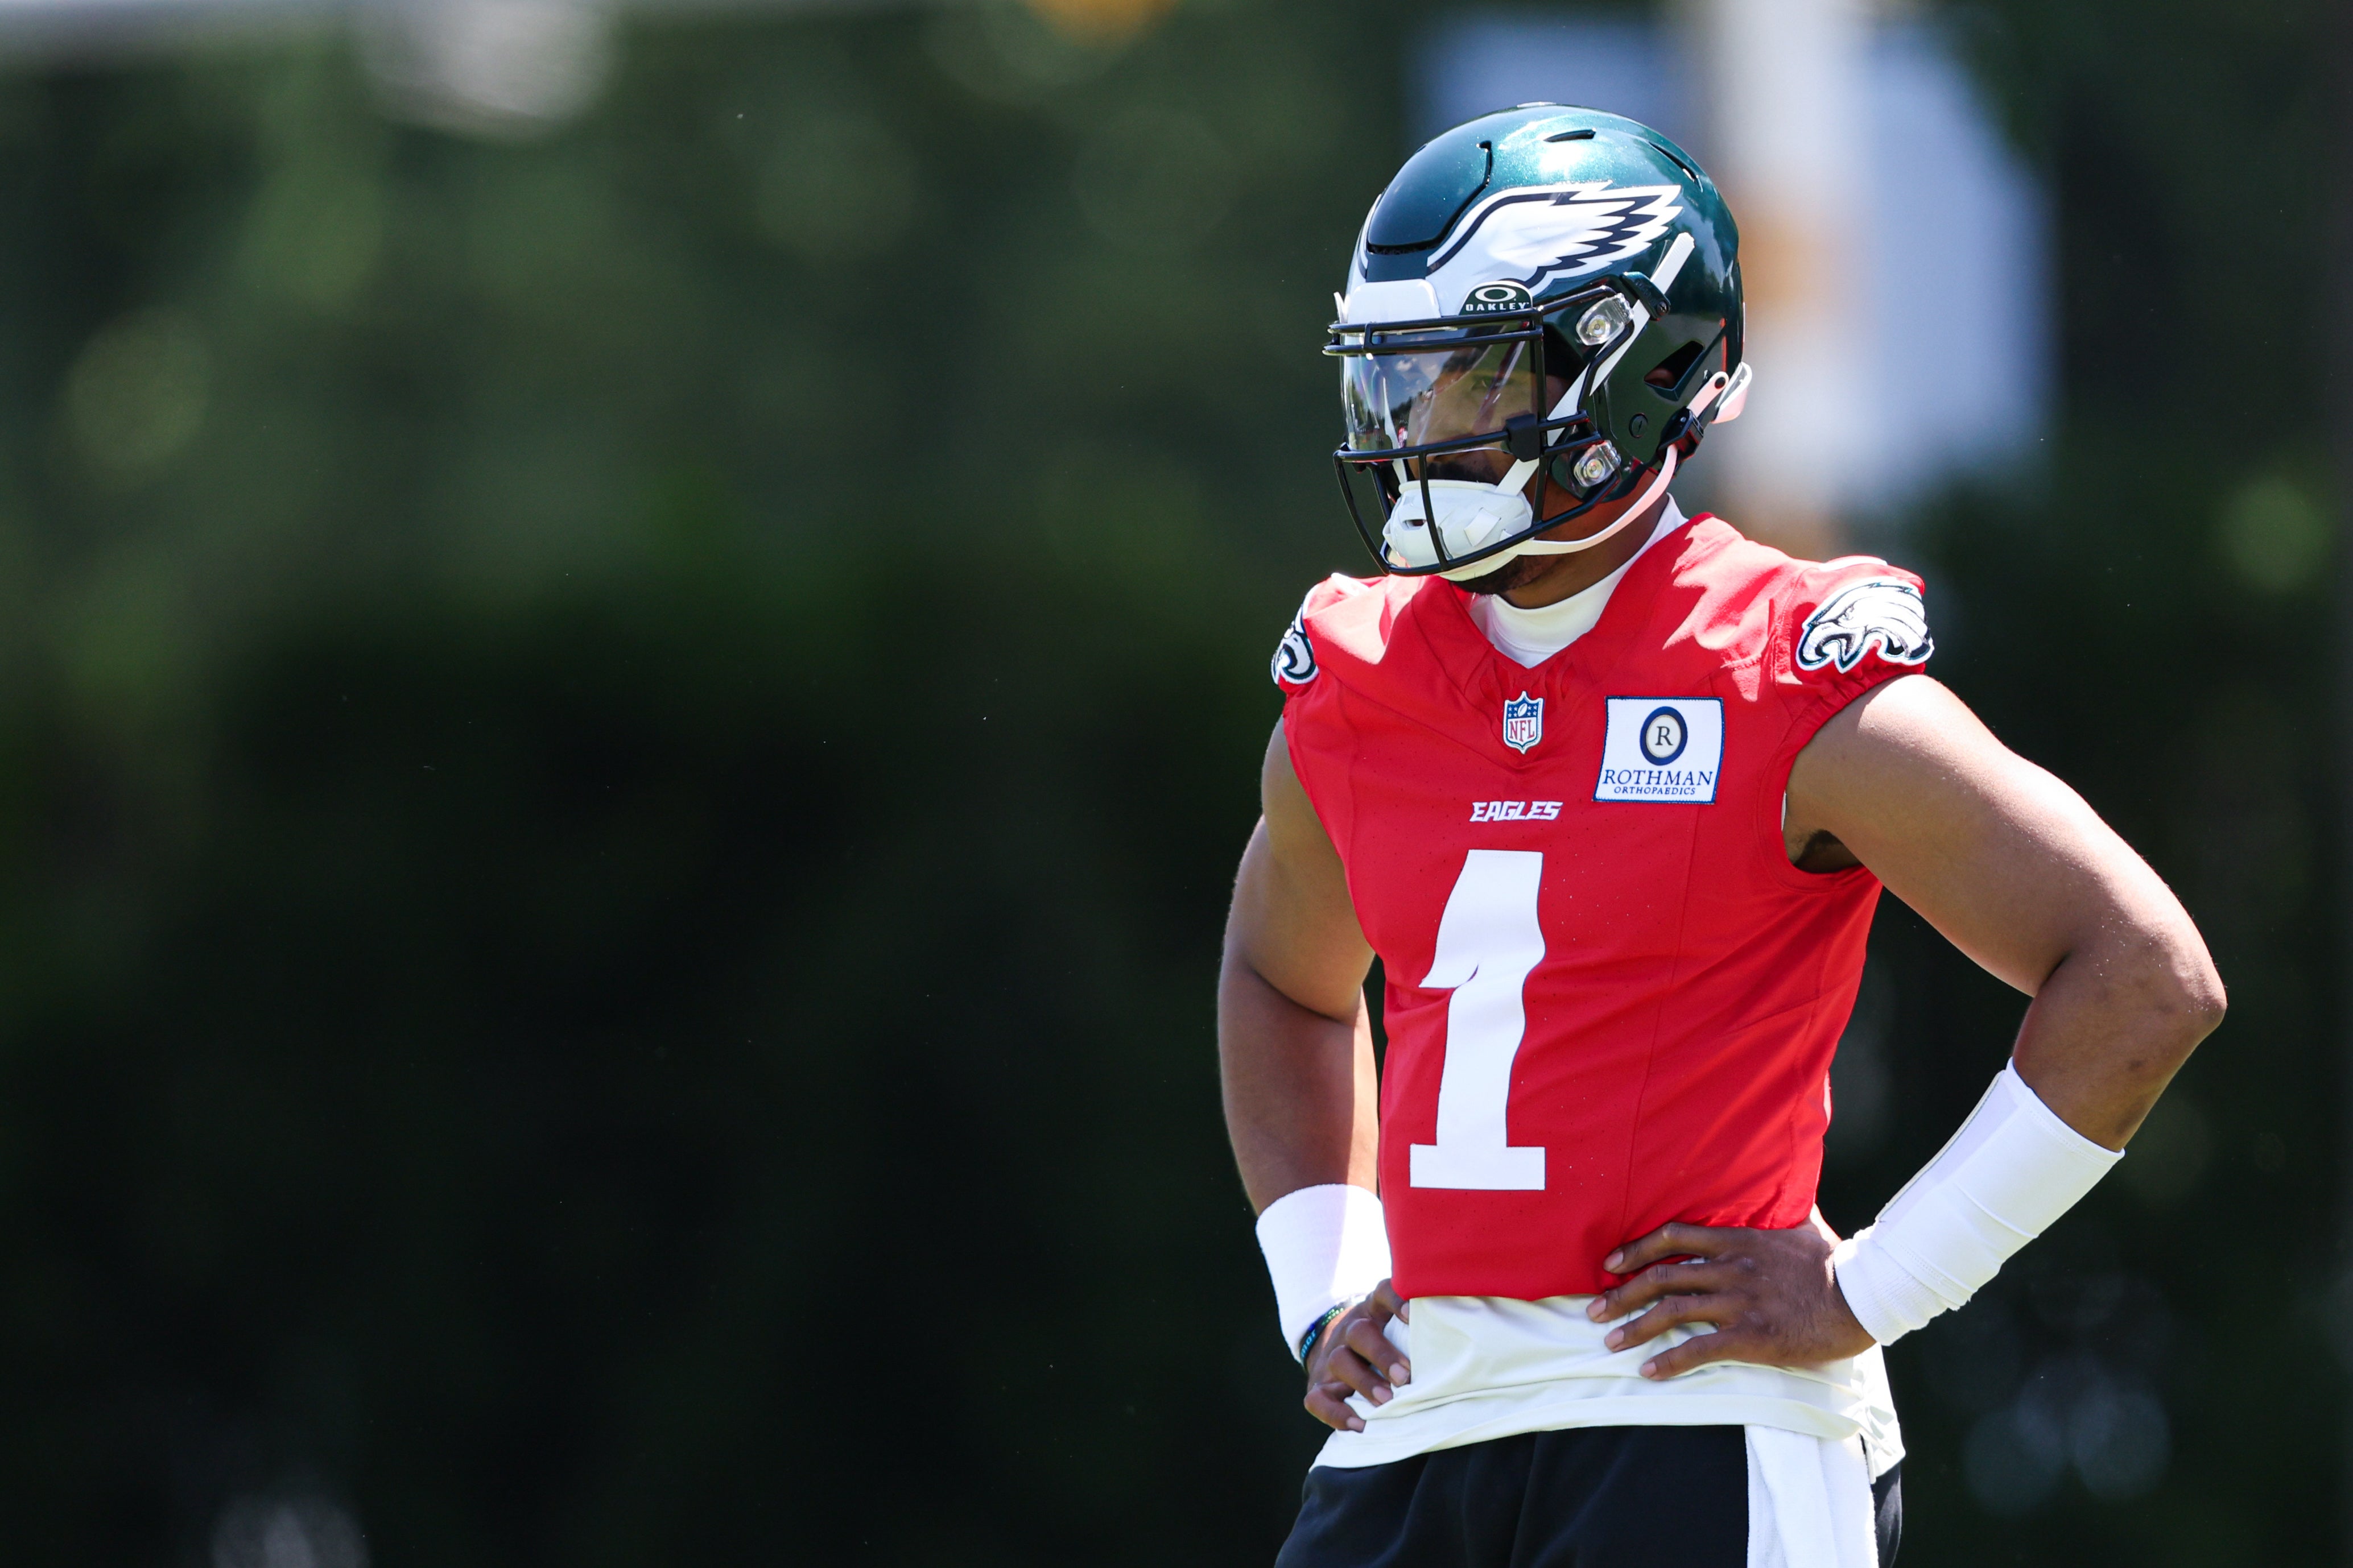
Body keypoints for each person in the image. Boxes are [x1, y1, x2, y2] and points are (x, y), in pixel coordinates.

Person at [1219, 105, 2224, 1567]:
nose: (1418, 425)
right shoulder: (1362, 675)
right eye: (1402, 380)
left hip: (1697, 1419)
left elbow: (2143, 975)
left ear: (1630, 369)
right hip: (1420, 1419)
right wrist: (1327, 1278)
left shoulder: (1781, 667)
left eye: (1467, 375)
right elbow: (1281, 976)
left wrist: (1879, 1282)